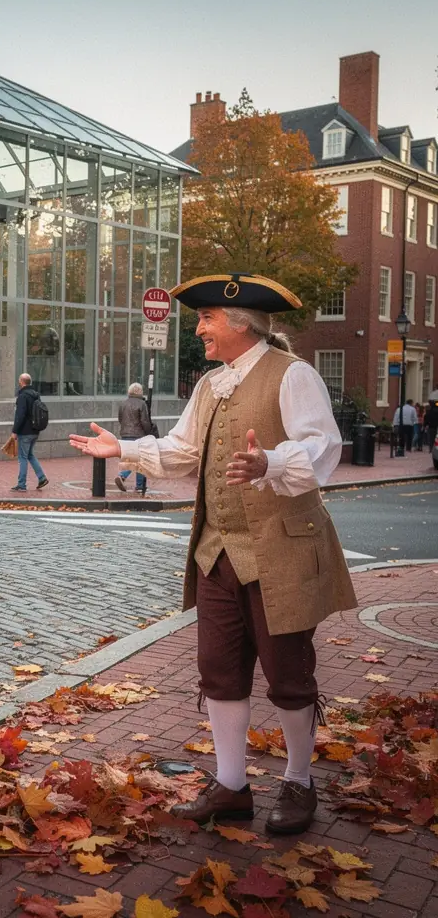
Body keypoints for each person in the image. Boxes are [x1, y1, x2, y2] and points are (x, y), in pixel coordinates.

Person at [69, 273, 357, 836]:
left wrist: (269, 463)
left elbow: (323, 447)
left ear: (240, 323)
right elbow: (182, 448)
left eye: (206, 319)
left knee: (288, 676)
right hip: (216, 554)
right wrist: (122, 448)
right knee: (219, 673)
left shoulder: (292, 374)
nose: (198, 328)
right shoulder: (211, 385)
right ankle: (231, 786)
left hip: (281, 551)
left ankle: (299, 781)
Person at [11, 373, 49, 492]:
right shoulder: (36, 395)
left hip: (25, 431)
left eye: (19, 380)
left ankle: (21, 484)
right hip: (35, 431)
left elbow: (20, 415)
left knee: (22, 457)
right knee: (30, 455)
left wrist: (14, 431)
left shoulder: (23, 396)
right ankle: (42, 477)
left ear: (22, 382)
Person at [115, 382, 153, 496]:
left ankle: (125, 477)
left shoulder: (123, 403)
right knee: (140, 461)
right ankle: (138, 484)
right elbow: (145, 421)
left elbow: (120, 419)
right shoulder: (142, 404)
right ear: (140, 392)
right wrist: (149, 432)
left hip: (125, 435)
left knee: (130, 458)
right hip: (138, 435)